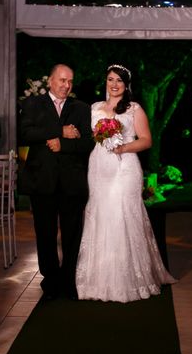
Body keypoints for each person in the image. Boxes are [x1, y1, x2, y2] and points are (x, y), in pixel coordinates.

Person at [75, 64, 176, 302]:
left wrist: (123, 147)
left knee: (122, 215)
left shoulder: (134, 109)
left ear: (126, 84)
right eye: (111, 79)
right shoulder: (94, 108)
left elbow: (147, 140)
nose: (114, 84)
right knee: (100, 214)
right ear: (106, 81)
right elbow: (87, 136)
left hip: (125, 167)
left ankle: (130, 279)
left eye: (119, 80)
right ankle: (98, 278)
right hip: (99, 167)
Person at [18, 63, 95, 300]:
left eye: (70, 81)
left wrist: (64, 145)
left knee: (73, 233)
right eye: (62, 80)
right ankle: (50, 279)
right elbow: (25, 134)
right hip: (42, 180)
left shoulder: (81, 108)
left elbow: (87, 143)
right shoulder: (32, 104)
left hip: (72, 181)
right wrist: (60, 130)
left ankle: (69, 278)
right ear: (50, 81)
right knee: (45, 232)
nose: (66, 85)